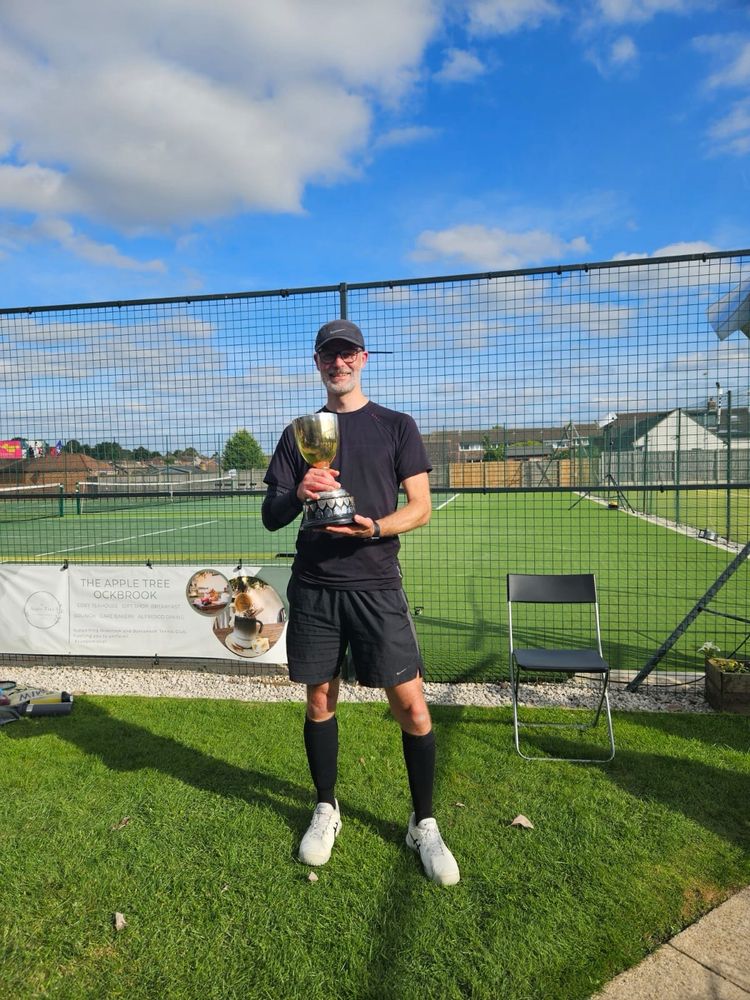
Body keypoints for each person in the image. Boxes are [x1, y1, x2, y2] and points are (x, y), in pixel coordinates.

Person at [262, 319, 460, 886]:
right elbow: (271, 514)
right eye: (329, 355)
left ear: (364, 359)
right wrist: (297, 492)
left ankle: (423, 822)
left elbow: (419, 507)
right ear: (318, 362)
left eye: (347, 354)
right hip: (317, 584)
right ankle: (327, 807)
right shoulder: (302, 431)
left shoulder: (396, 425)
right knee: (320, 699)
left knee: (413, 707)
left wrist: (375, 529)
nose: (339, 363)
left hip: (376, 584)